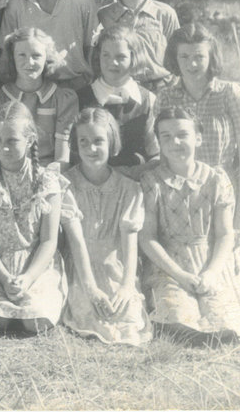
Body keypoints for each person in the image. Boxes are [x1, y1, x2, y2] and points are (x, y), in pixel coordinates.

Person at [138, 107, 240, 342]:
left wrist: (212, 272)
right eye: (166, 136)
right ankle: (181, 328)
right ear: (159, 143)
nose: (175, 142)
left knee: (224, 320)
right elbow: (147, 237)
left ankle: (217, 327)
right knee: (176, 316)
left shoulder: (216, 179)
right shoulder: (152, 182)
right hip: (168, 265)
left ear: (198, 138)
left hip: (208, 261)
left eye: (182, 135)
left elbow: (225, 234)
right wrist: (179, 274)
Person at [157, 24, 240, 294]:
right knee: (185, 284)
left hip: (223, 196)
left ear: (211, 57)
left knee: (225, 286)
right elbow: (162, 155)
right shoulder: (166, 97)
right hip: (180, 197)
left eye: (199, 56)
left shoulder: (230, 94)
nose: (192, 64)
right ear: (175, 59)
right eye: (184, 57)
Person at [0, 101, 68, 334]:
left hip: (36, 266)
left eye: (12, 140)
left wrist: (28, 278)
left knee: (36, 322)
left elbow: (49, 241)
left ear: (30, 140)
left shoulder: (47, 180)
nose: (3, 148)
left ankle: (32, 300)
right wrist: (4, 278)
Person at [61, 108, 151, 345]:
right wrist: (90, 288)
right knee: (91, 313)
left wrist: (126, 286)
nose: (91, 148)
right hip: (82, 269)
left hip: (115, 266)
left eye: (98, 141)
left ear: (111, 142)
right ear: (75, 144)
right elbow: (76, 242)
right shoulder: (67, 185)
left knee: (127, 315)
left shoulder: (129, 189)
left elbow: (129, 244)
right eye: (84, 141)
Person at [75, 24, 159, 175]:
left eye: (120, 57)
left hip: (135, 180)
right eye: (106, 55)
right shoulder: (79, 99)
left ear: (133, 58)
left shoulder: (148, 100)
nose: (112, 62)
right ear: (98, 56)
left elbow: (156, 155)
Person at [98, 0, 179, 91]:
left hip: (160, 88)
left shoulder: (165, 14)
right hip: (119, 89)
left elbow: (178, 57)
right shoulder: (104, 16)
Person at [0, 27, 78, 167]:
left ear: (47, 57)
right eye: (22, 55)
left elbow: (62, 159)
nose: (30, 62)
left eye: (36, 55)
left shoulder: (62, 99)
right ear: (12, 57)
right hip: (8, 171)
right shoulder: (0, 98)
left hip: (48, 172)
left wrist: (45, 177)